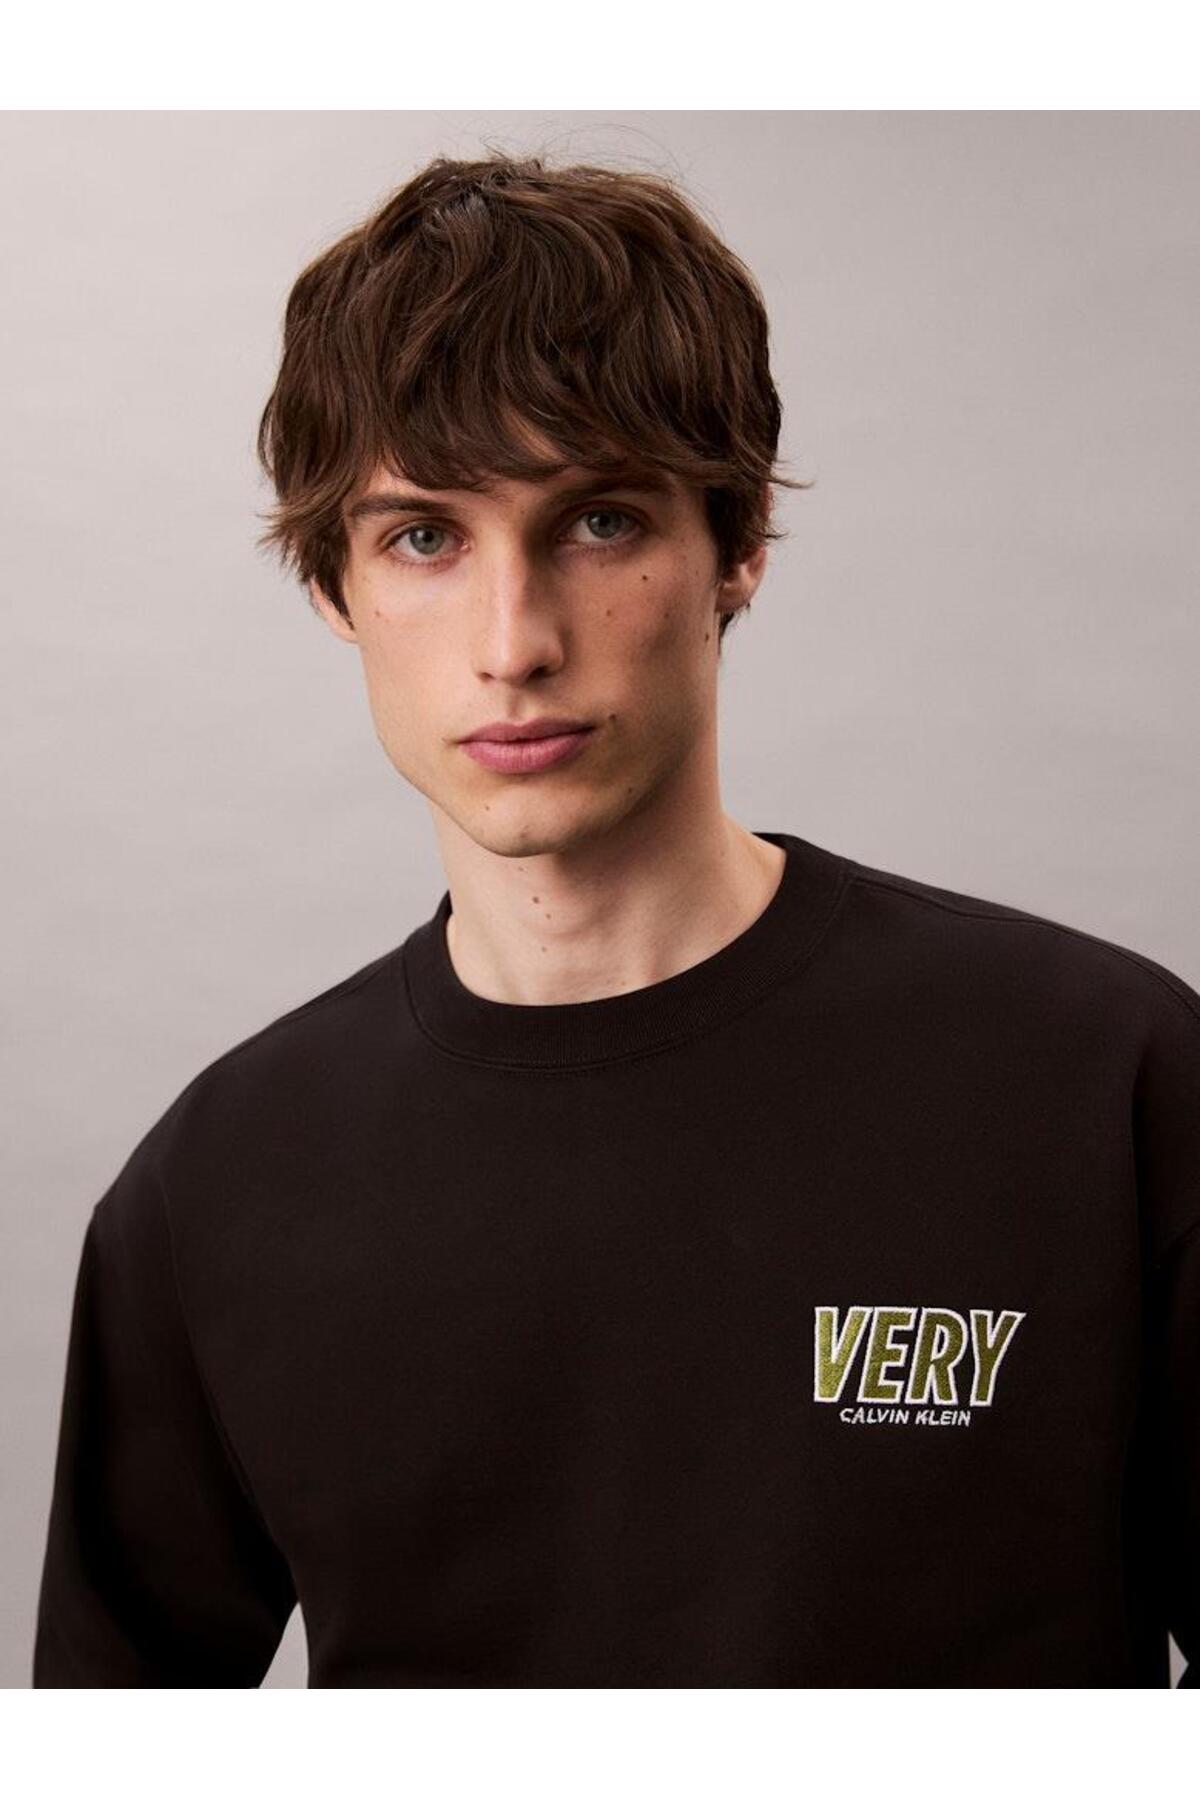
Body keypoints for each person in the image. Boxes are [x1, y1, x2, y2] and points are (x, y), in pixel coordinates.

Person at [32, 152, 1199, 1688]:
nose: (513, 643)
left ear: (737, 548)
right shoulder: (214, 1190)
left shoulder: (1105, 1080)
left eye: (596, 522)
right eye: (424, 537)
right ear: (333, 586)